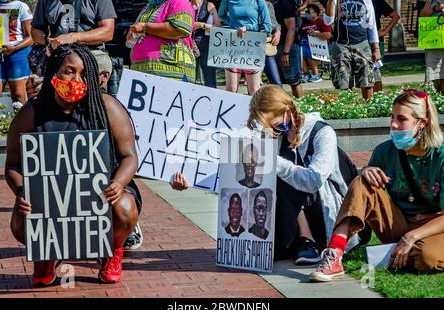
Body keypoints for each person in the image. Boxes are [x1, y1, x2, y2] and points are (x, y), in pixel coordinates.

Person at [5, 44, 142, 285]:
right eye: (69, 71)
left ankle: (111, 251)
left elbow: (130, 156)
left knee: (124, 207)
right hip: (51, 196)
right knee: (20, 220)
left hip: (102, 193)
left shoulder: (106, 106)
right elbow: (13, 165)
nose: (76, 79)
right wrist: (22, 191)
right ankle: (46, 253)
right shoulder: (32, 112)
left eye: (82, 73)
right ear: (54, 72)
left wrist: (118, 183)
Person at [171, 85, 352, 264]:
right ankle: (295, 240)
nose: (272, 131)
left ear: (288, 112)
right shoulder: (274, 133)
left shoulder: (321, 132)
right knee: (260, 174)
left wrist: (271, 159)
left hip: (324, 212)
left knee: (276, 172)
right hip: (287, 214)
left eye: (274, 125)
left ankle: (307, 239)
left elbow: (314, 180)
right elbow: (238, 178)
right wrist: (193, 181)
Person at [310, 90, 444, 282]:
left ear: (421, 123)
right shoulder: (384, 151)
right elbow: (363, 194)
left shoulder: (440, 156)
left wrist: (413, 236)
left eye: (401, 119)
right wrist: (365, 171)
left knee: (426, 257)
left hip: (434, 227)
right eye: (392, 117)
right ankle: (334, 253)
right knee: (362, 181)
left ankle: (396, 251)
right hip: (399, 223)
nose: (393, 124)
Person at [31, 0, 116, 82]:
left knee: (89, 93)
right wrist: (48, 41)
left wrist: (72, 37)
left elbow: (108, 32)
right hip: (58, 57)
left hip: (90, 57)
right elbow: (35, 31)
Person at [126, 0, 196, 83]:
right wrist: (133, 33)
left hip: (169, 71)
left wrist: (145, 27)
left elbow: (179, 29)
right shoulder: (149, 5)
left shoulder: (180, 1)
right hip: (142, 70)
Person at [324, 0, 380, 100]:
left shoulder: (366, 1)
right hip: (341, 45)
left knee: (366, 81)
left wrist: (376, 48)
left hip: (362, 44)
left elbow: (372, 25)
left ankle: (368, 109)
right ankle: (347, 110)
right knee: (343, 83)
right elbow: (328, 21)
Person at [218, 0, 272, 96]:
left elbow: (267, 26)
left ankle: (253, 111)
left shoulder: (259, 1)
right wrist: (233, 25)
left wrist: (247, 27)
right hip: (232, 47)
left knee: (254, 91)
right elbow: (221, 14)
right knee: (231, 89)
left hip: (252, 49)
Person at [0, 0, 33, 111]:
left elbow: (31, 37)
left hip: (17, 54)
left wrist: (14, 48)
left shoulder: (21, 6)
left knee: (18, 95)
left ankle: (20, 127)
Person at [272, 0, 303, 98]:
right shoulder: (273, 3)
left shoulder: (285, 3)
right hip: (276, 46)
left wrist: (286, 52)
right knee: (279, 82)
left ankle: (301, 107)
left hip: (288, 47)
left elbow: (292, 28)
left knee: (294, 81)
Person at [372, 0, 400, 93]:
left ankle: (377, 97)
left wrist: (385, 31)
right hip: (358, 39)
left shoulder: (376, 1)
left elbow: (395, 16)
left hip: (375, 40)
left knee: (375, 71)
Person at [191, 0, 221, 88]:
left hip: (206, 44)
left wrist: (201, 25)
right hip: (189, 44)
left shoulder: (209, 5)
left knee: (209, 78)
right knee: (190, 77)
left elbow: (218, 26)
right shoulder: (186, 4)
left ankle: (212, 100)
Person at [300, 3, 332, 83]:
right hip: (306, 45)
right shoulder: (305, 23)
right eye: (306, 12)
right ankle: (306, 74)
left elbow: (328, 35)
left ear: (316, 12)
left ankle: (315, 74)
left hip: (321, 47)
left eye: (309, 11)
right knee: (301, 51)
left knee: (305, 51)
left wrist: (315, 34)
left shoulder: (321, 21)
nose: (308, 13)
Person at [421, 0, 444, 95]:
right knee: (434, 75)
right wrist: (436, 8)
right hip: (435, 41)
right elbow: (423, 14)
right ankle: (436, 103)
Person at [264, 0, 282, 86]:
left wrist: (278, 31)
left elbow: (274, 23)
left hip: (266, 45)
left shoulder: (267, 4)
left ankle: (280, 99)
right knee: (253, 85)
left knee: (277, 83)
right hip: (248, 46)